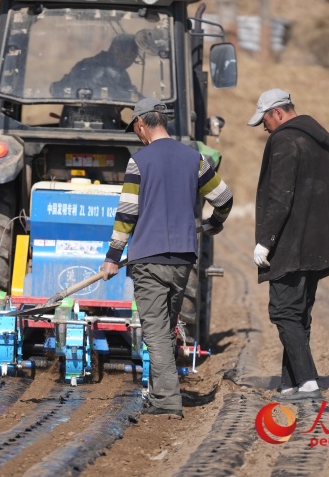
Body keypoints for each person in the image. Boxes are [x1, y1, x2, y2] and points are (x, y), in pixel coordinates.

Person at [101, 97, 233, 418]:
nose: (137, 135)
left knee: (156, 332)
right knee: (167, 326)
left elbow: (127, 214)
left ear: (141, 124)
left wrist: (112, 257)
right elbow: (224, 198)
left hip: (149, 258)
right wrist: (213, 224)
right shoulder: (195, 158)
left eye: (136, 129)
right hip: (183, 259)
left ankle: (167, 401)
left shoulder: (139, 162)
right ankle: (165, 391)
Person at [247, 88, 329, 402]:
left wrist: (265, 242)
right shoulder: (321, 142)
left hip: (291, 243)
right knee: (299, 313)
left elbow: (280, 196)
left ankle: (307, 382)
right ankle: (290, 383)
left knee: (283, 312)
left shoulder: (284, 140)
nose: (264, 127)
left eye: (264, 120)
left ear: (277, 112)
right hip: (318, 243)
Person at [51, 33, 139, 100]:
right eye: (130, 55)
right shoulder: (116, 74)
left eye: (133, 56)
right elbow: (128, 98)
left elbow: (56, 88)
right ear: (116, 50)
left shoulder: (84, 63)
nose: (130, 61)